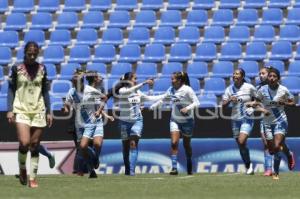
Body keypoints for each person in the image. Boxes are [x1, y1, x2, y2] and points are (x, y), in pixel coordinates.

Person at [6, 41, 53, 188]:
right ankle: (22, 168)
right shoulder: (16, 69)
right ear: (25, 53)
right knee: (24, 142)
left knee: (34, 144)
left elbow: (45, 91)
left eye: (34, 53)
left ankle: (33, 178)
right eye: (29, 53)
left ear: (37, 53)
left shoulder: (43, 69)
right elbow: (11, 90)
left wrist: (49, 111)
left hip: (38, 110)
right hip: (21, 109)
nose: (32, 56)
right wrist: (9, 109)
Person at [150, 72, 200, 175]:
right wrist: (153, 106)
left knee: (186, 144)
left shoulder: (187, 89)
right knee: (174, 143)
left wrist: (187, 108)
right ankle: (174, 168)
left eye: (173, 79)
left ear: (179, 80)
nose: (171, 81)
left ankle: (189, 162)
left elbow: (197, 102)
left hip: (187, 121)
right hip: (175, 120)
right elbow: (164, 99)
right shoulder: (171, 89)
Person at [114, 72, 161, 176]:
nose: (136, 80)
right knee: (125, 147)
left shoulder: (138, 92)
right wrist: (144, 83)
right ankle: (127, 168)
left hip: (137, 121)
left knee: (133, 144)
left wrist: (165, 95)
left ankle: (132, 171)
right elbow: (129, 91)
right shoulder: (122, 90)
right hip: (124, 122)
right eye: (135, 78)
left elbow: (149, 98)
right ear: (129, 80)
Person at [253, 67, 295, 180]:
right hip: (267, 123)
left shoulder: (283, 89)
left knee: (276, 146)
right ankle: (289, 154)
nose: (271, 78)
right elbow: (256, 102)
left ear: (278, 78)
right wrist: (257, 107)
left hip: (280, 121)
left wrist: (285, 102)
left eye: (274, 76)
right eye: (270, 76)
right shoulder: (262, 90)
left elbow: (293, 102)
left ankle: (275, 173)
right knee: (271, 149)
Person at [222, 68, 257, 175]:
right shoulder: (229, 89)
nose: (234, 75)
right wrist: (229, 100)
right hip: (235, 120)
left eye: (237, 74)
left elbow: (258, 99)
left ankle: (249, 165)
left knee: (242, 141)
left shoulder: (249, 87)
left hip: (247, 118)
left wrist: (252, 105)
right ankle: (248, 166)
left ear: (242, 76)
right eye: (233, 74)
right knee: (241, 145)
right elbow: (223, 105)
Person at [80, 71, 113, 178]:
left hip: (97, 121)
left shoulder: (97, 90)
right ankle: (91, 170)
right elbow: (105, 98)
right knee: (83, 147)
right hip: (86, 122)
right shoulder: (87, 90)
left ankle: (95, 160)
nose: (101, 78)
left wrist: (103, 114)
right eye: (98, 76)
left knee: (97, 144)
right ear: (94, 79)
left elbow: (99, 104)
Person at [256, 67, 273, 176]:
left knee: (277, 144)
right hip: (265, 118)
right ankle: (268, 169)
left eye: (263, 73)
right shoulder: (258, 88)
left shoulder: (277, 86)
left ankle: (288, 152)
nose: (260, 75)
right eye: (260, 73)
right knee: (266, 143)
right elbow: (255, 104)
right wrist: (263, 110)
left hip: (277, 118)